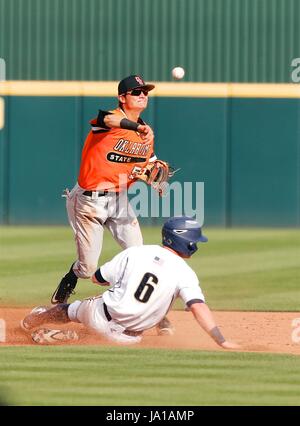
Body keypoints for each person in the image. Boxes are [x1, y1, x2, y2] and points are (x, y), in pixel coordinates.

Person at [50, 74, 172, 335]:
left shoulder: (146, 134)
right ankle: (72, 275)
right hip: (88, 201)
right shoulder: (110, 120)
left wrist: (154, 175)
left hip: (119, 200)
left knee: (141, 258)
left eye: (145, 92)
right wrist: (134, 126)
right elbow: (105, 118)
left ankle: (157, 314)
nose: (142, 95)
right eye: (136, 91)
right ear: (122, 97)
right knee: (88, 268)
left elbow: (150, 164)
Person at [22, 216, 240, 349]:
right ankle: (76, 338)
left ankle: (35, 319)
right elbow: (198, 307)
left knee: (70, 310)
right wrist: (220, 340)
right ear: (187, 242)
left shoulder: (136, 252)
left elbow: (98, 278)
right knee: (105, 337)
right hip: (125, 339)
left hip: (98, 312)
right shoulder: (185, 272)